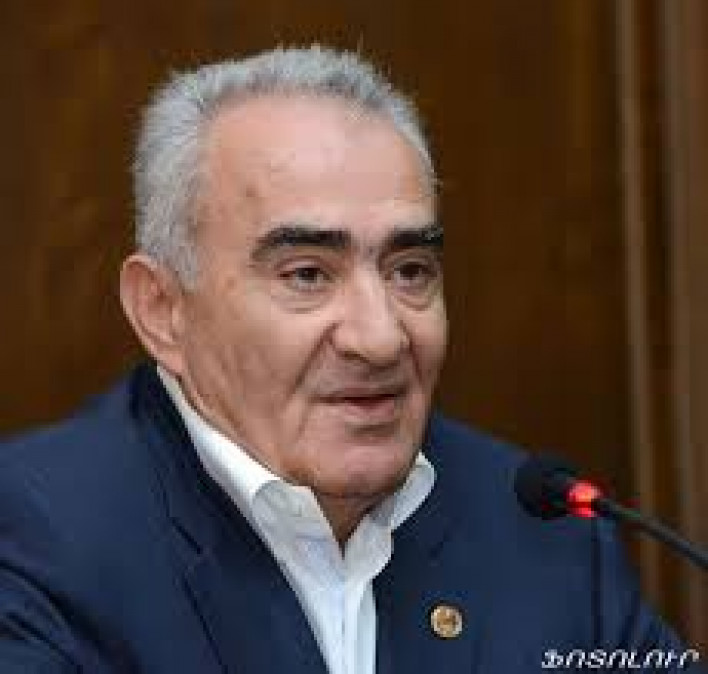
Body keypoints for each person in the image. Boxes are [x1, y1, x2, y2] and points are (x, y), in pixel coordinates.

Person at [0, 45, 703, 674]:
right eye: (308, 274)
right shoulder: (34, 540)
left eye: (410, 270)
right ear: (162, 309)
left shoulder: (542, 533)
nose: (381, 337)